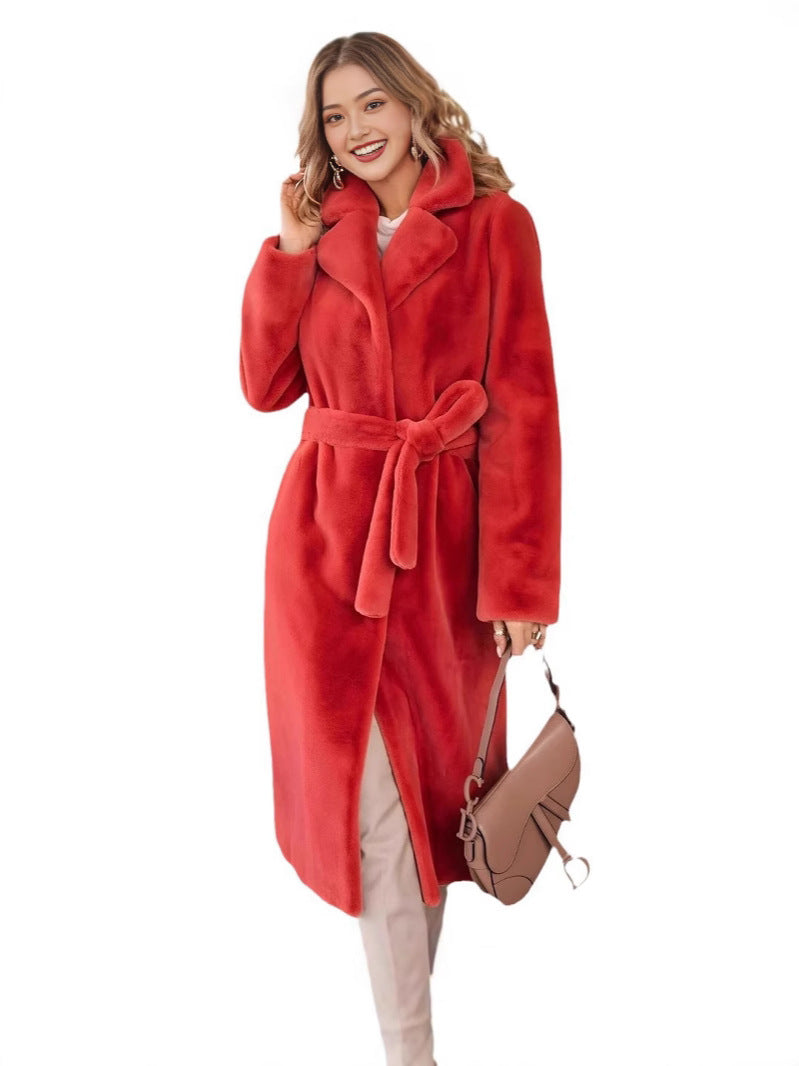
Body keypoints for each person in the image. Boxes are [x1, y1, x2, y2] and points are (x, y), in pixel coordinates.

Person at [238, 31, 561, 1066]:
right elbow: (263, 386)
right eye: (334, 116)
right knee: (377, 817)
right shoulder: (319, 228)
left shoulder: (496, 226)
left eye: (371, 104)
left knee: (426, 816)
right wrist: (287, 253)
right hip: (325, 550)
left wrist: (520, 583)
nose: (355, 131)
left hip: (445, 558)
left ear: (415, 103)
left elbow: (523, 411)